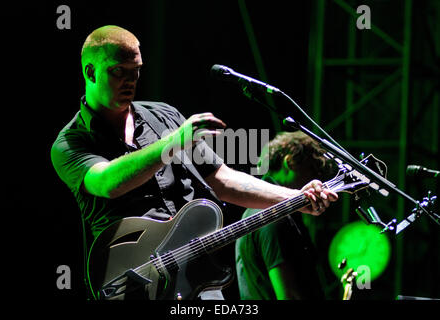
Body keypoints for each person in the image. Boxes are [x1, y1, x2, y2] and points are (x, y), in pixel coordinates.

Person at [50, 25, 338, 300]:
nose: (130, 81)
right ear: (90, 72)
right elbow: (108, 182)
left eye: (136, 72)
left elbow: (221, 179)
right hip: (134, 283)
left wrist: (297, 197)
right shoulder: (69, 143)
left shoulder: (163, 116)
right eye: (118, 72)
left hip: (195, 275)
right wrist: (174, 142)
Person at [235, 131, 337, 300]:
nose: (318, 179)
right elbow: (289, 294)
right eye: (312, 169)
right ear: (290, 162)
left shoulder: (257, 210)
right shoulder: (274, 216)